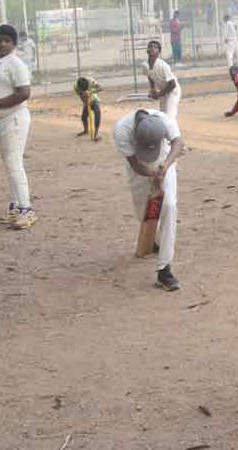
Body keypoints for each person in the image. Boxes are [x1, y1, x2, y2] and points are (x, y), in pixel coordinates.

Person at [114, 108, 184, 291]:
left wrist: (165, 168)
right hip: (140, 172)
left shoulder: (165, 120)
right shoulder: (121, 129)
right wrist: (152, 175)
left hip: (164, 163)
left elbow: (178, 142)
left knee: (168, 206)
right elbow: (134, 163)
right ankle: (151, 241)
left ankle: (164, 269)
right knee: (144, 213)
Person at [0, 25, 35, 229]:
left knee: (14, 164)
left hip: (15, 119)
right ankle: (15, 209)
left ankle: (27, 211)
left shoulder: (15, 63)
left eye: (6, 40)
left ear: (14, 44)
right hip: (0, 122)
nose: (2, 44)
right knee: (11, 165)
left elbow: (24, 93)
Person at [144, 40, 180, 119]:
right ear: (147, 50)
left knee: (170, 116)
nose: (152, 48)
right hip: (163, 90)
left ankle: (174, 131)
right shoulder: (145, 65)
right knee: (163, 115)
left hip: (173, 91)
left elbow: (172, 84)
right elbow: (150, 76)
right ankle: (165, 131)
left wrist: (159, 94)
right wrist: (153, 89)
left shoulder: (163, 65)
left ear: (158, 52)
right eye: (150, 46)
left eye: (155, 47)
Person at [74, 76, 102, 141]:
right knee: (83, 117)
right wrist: (86, 102)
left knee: (97, 112)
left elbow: (101, 88)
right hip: (86, 100)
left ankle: (96, 134)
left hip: (94, 98)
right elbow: (81, 96)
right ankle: (86, 131)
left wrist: (91, 91)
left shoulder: (91, 81)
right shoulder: (75, 86)